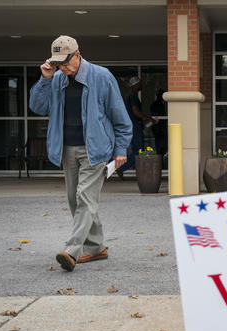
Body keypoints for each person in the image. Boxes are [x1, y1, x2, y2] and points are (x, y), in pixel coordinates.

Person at [29, 35, 132, 272]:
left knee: (85, 198)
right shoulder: (55, 79)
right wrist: (45, 79)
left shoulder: (102, 76)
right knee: (75, 200)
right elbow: (38, 107)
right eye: (57, 63)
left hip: (95, 149)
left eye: (65, 62)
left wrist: (120, 149)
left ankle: (72, 250)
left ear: (77, 55)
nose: (62, 67)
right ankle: (96, 248)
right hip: (67, 149)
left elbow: (120, 117)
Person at [117, 76, 158, 175]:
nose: (141, 85)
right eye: (140, 83)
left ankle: (119, 167)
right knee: (138, 151)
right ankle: (120, 167)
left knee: (137, 150)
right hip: (134, 127)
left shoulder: (129, 96)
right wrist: (148, 118)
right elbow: (135, 111)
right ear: (135, 85)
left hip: (133, 126)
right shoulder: (133, 96)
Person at [150, 88, 168, 164]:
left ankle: (162, 165)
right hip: (159, 130)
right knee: (160, 148)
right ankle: (160, 165)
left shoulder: (162, 104)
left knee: (163, 148)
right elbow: (156, 116)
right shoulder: (156, 105)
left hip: (162, 129)